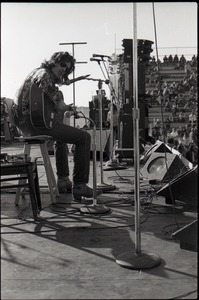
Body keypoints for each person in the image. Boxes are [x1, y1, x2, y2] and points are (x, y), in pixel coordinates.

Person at [14, 51, 102, 201]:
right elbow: (54, 96)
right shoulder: (44, 74)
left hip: (27, 124)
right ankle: (80, 185)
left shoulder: (36, 72)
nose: (64, 69)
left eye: (67, 68)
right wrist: (66, 107)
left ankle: (63, 179)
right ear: (54, 62)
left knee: (61, 136)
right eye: (62, 65)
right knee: (84, 137)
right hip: (36, 124)